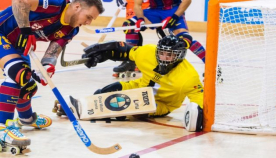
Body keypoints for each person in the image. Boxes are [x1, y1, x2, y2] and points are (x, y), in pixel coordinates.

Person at [0, 0, 104, 150]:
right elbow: (20, 1)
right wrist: (25, 30)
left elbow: (52, 53)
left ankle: (27, 119)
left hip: (17, 45)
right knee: (19, 73)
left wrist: (47, 67)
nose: (88, 22)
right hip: (2, 32)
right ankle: (3, 127)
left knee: (27, 85)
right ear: (77, 7)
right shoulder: (54, 3)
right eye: (88, 17)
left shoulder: (71, 29)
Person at [62, 35, 204, 131]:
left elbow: (200, 99)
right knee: (105, 92)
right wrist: (101, 54)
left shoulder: (189, 76)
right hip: (138, 87)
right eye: (161, 53)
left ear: (179, 56)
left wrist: (198, 114)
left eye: (170, 55)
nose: (164, 58)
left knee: (132, 104)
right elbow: (124, 51)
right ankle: (81, 105)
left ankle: (83, 111)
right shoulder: (148, 51)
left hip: (161, 104)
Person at [113, 0, 206, 76]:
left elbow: (187, 1)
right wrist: (140, 19)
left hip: (174, 10)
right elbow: (137, 4)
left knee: (185, 39)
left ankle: (210, 65)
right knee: (129, 26)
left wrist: (174, 17)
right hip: (154, 11)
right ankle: (130, 61)